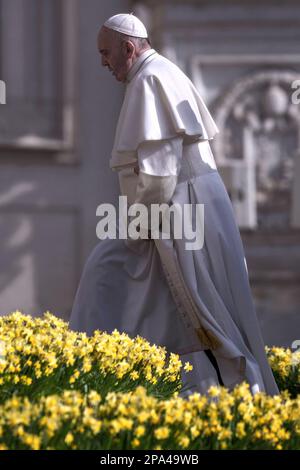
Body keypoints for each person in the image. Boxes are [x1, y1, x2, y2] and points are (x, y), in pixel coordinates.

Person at [69, 13, 279, 397]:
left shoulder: (149, 79)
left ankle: (232, 391)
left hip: (179, 210)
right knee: (181, 307)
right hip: (182, 209)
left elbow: (160, 173)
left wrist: (137, 227)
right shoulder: (160, 72)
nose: (103, 63)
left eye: (105, 53)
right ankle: (184, 391)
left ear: (128, 48)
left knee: (203, 312)